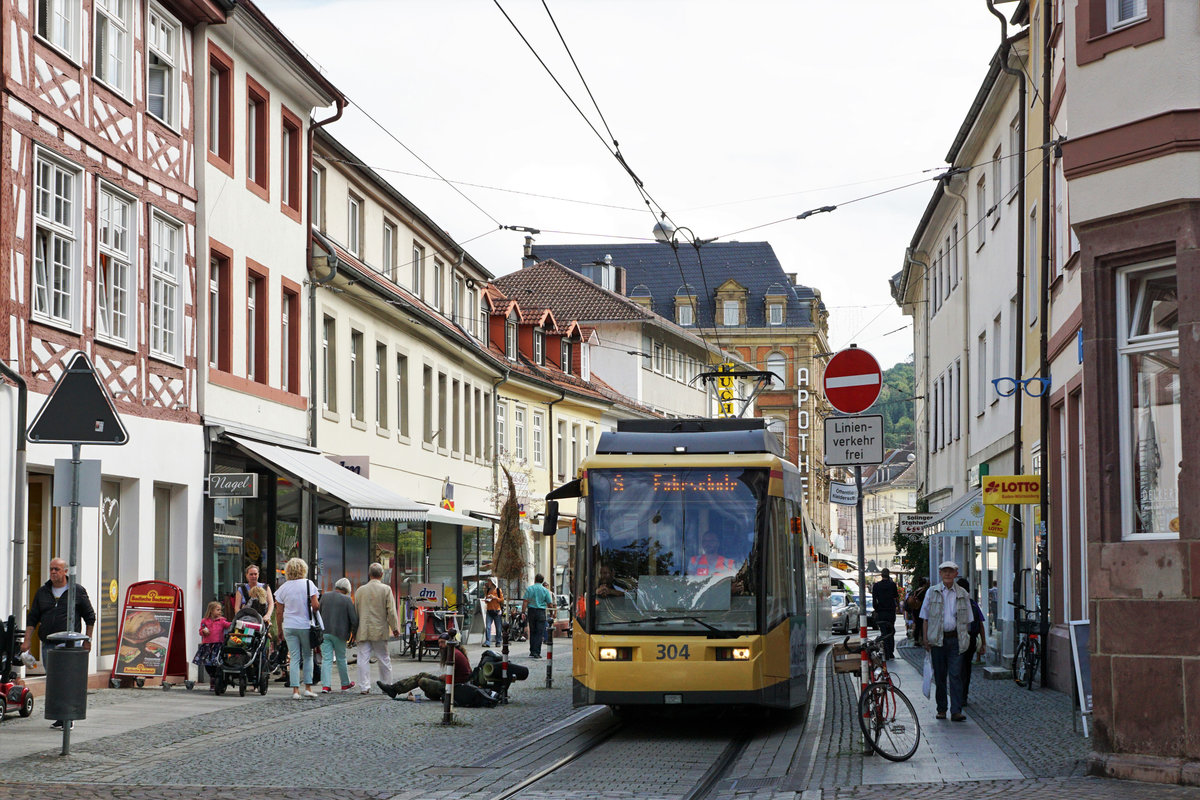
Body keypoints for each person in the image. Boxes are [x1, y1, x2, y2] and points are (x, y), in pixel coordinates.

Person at [23, 557, 96, 730]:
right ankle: (59, 716)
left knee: (68, 680)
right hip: (49, 643)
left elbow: (90, 617)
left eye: (57, 569)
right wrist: (27, 640)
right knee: (54, 681)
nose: (53, 572)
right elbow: (33, 617)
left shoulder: (76, 591)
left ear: (65, 572)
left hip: (70, 644)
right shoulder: (43, 592)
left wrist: (88, 640)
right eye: (51, 569)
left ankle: (68, 717)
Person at [376, 633, 499, 707]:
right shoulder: (453, 651)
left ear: (449, 643)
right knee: (422, 675)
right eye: (439, 642)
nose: (440, 645)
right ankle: (394, 689)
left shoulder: (453, 654)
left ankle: (395, 689)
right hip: (453, 683)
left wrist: (441, 678)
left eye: (442, 642)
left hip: (456, 687)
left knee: (423, 681)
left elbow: (451, 677)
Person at [919, 561, 973, 722]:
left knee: (956, 675)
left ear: (956, 574)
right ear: (940, 574)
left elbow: (968, 619)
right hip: (937, 639)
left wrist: (966, 638)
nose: (948, 574)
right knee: (940, 676)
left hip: (956, 639)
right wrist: (925, 639)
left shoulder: (962, 593)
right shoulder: (932, 592)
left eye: (951, 571)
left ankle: (956, 710)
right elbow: (925, 617)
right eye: (945, 571)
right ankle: (941, 709)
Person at [273, 557, 320, 699]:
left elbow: (279, 612)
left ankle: (295, 691)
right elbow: (316, 605)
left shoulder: (283, 588)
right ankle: (308, 687)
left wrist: (280, 630)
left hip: (289, 625)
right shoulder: (308, 584)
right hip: (305, 625)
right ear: (303, 569)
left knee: (294, 658)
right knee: (308, 656)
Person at [354, 563, 400, 693]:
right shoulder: (386, 589)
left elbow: (356, 611)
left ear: (369, 574)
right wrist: (395, 628)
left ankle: (364, 686)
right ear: (381, 574)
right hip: (379, 629)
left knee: (362, 659)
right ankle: (387, 685)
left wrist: (355, 629)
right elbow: (391, 611)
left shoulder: (360, 590)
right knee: (384, 658)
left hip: (363, 629)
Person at [319, 577, 358, 694]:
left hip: (324, 632)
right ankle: (345, 683)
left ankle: (325, 686)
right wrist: (353, 633)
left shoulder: (324, 596)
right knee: (341, 658)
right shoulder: (347, 600)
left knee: (326, 659)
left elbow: (318, 613)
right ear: (347, 589)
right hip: (340, 634)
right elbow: (354, 620)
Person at [956, 577, 987, 706]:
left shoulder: (956, 603)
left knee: (958, 668)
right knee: (966, 669)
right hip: (971, 639)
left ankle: (959, 696)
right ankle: (963, 696)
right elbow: (980, 624)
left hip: (958, 639)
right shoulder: (973, 603)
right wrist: (984, 643)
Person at [193, 601, 231, 690]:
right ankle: (212, 677)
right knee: (207, 663)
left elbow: (228, 625)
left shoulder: (222, 620)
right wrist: (203, 631)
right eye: (217, 610)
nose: (219, 612)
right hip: (207, 645)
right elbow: (201, 631)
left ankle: (216, 679)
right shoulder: (205, 621)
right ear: (211, 610)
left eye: (220, 610)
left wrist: (235, 623)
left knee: (216, 663)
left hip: (218, 645)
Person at [522, 573, 554, 659]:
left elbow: (525, 601)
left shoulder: (530, 589)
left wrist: (523, 612)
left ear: (535, 579)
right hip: (541, 612)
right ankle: (537, 652)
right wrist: (551, 613)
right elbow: (550, 603)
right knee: (539, 633)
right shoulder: (545, 590)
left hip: (531, 611)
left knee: (532, 631)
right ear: (542, 581)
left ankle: (532, 651)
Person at [871, 568, 900, 660]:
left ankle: (885, 652)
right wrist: (897, 607)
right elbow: (896, 597)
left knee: (884, 632)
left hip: (881, 611)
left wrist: (876, 609)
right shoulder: (892, 585)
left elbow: (874, 600)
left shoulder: (876, 586)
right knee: (891, 631)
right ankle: (890, 652)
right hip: (890, 611)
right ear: (888, 575)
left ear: (881, 575)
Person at [905, 576, 930, 646]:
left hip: (915, 609)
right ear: (925, 584)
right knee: (922, 624)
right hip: (921, 609)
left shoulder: (915, 591)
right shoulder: (925, 591)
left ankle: (916, 640)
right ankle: (922, 639)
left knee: (917, 625)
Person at [483, 578, 504, 647]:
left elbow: (501, 600)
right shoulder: (488, 590)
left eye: (489, 581)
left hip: (496, 610)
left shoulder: (498, 590)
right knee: (488, 627)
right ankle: (487, 641)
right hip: (489, 610)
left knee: (498, 627)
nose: (488, 583)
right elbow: (486, 600)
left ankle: (498, 641)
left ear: (492, 582)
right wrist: (486, 599)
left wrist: (494, 597)